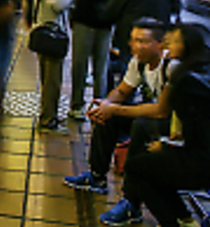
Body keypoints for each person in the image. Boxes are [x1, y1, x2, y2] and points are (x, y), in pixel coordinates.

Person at [107, 24, 210, 227]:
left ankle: (172, 221)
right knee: (154, 165)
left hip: (208, 166)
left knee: (137, 167)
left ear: (188, 46)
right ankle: (183, 217)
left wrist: (166, 146)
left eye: (175, 41)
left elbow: (195, 136)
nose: (169, 45)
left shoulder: (187, 82)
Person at [64, 18, 175, 225]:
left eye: (143, 41)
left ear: (160, 43)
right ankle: (97, 176)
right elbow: (123, 91)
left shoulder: (171, 66)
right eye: (133, 40)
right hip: (152, 118)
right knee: (108, 116)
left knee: (139, 126)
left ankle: (131, 203)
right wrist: (105, 105)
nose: (136, 46)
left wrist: (115, 108)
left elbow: (162, 111)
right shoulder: (138, 62)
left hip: (175, 126)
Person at [103, 0, 180, 83]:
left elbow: (110, 13)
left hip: (132, 41)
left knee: (129, 80)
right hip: (158, 40)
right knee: (157, 79)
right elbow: (175, 10)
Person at [69, 0, 113, 120]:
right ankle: (98, 105)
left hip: (86, 24)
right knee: (100, 68)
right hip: (105, 26)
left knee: (80, 65)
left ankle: (77, 105)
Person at [33, 0, 74, 134]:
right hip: (51, 35)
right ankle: (48, 120)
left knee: (48, 79)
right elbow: (57, 4)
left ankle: (48, 115)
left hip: (44, 33)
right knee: (52, 80)